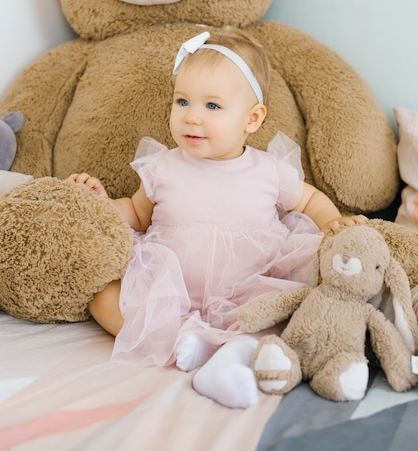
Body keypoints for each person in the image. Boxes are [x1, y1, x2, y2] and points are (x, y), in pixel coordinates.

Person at [69, 30, 367, 408]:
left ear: (252, 119)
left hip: (246, 286)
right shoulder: (163, 166)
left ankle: (231, 353)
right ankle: (184, 342)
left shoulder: (267, 170)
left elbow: (307, 199)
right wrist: (100, 203)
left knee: (293, 305)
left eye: (212, 106)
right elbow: (137, 214)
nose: (192, 116)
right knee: (102, 296)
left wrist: (330, 220)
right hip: (169, 291)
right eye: (182, 101)